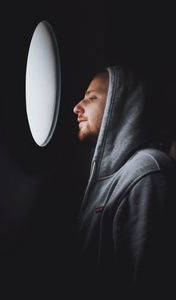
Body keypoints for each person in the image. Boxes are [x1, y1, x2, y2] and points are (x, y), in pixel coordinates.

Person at [73, 66, 176, 299]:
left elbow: (147, 284)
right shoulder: (116, 174)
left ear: (120, 105)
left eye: (91, 98)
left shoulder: (147, 173)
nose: (77, 107)